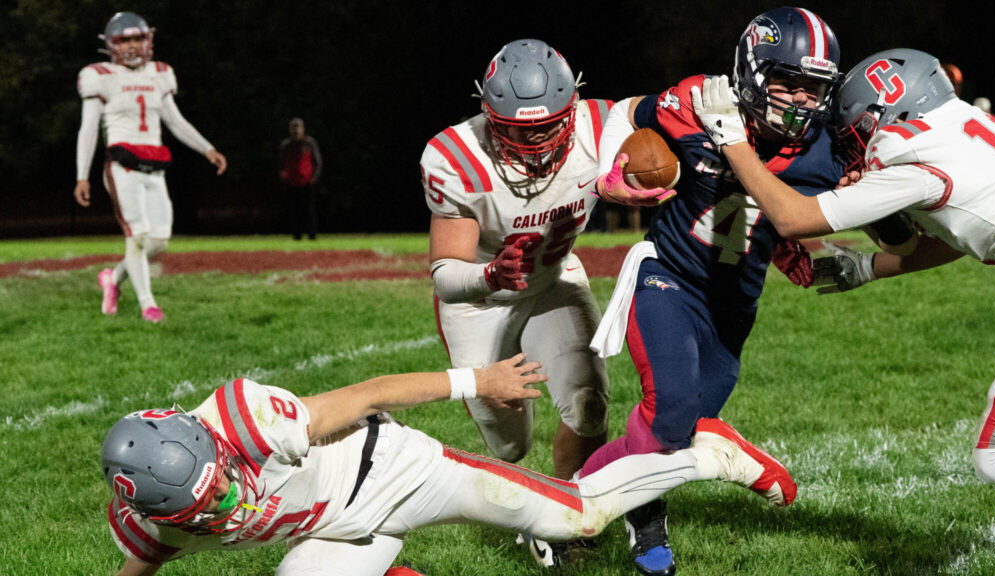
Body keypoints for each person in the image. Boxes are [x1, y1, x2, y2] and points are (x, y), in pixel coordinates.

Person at [582, 8, 862, 575]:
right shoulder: (698, 103)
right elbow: (623, 112)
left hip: (734, 304)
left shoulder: (825, 150)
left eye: (814, 89)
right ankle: (611, 508)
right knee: (673, 412)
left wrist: (824, 254)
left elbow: (792, 217)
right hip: (669, 276)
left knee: (674, 437)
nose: (800, 101)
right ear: (752, 72)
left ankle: (598, 502)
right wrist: (611, 173)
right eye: (787, 83)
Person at [100, 354, 795, 575]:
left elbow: (372, 394)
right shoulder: (156, 526)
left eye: (220, 479)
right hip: (335, 531)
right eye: (207, 506)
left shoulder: (249, 420)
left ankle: (707, 452)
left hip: (391, 471)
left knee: (578, 520)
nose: (226, 499)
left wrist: (475, 381)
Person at [692, 49, 995, 493]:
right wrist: (870, 267)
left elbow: (792, 218)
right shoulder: (962, 123)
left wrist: (731, 140)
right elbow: (964, 236)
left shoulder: (906, 154)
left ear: (875, 117)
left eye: (850, 135)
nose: (850, 148)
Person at [419, 39, 614, 565]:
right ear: (488, 114)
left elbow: (668, 113)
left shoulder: (602, 128)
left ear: (573, 107)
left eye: (549, 126)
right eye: (518, 131)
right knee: (510, 446)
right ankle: (530, 498)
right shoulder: (456, 156)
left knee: (590, 404)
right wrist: (490, 272)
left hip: (552, 281)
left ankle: (557, 521)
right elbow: (444, 275)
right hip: (480, 299)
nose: (536, 144)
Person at [74, 12, 227, 323]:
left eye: (137, 38)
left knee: (159, 241)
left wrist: (207, 148)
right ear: (111, 44)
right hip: (122, 164)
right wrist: (82, 175)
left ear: (148, 40)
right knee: (138, 235)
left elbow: (175, 121)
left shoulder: (159, 73)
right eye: (124, 39)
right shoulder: (99, 75)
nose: (132, 45)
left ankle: (113, 279)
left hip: (154, 165)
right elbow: (88, 129)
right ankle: (149, 306)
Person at [279, 118, 322, 240]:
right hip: (292, 182)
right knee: (294, 210)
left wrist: (314, 177)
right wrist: (284, 176)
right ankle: (296, 235)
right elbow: (281, 163)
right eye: (293, 127)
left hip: (307, 182)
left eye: (298, 127)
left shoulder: (309, 143)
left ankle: (312, 234)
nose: (296, 130)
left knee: (309, 210)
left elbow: (317, 161)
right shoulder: (286, 145)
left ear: (303, 129)